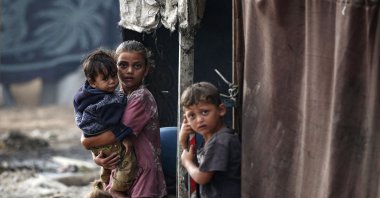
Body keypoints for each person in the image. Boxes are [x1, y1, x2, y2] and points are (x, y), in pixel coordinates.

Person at [81, 40, 167, 198]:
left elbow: (113, 135)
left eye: (137, 66)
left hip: (142, 170)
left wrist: (86, 142)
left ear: (146, 70)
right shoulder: (113, 96)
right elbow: (93, 127)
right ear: (114, 67)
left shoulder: (141, 97)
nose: (129, 71)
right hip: (119, 166)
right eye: (123, 65)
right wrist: (97, 158)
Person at [73, 48, 137, 197]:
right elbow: (114, 120)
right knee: (127, 163)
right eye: (106, 79)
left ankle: (103, 185)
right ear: (92, 82)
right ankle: (116, 189)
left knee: (107, 166)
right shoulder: (105, 101)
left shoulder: (83, 94)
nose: (112, 81)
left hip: (95, 143)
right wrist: (125, 137)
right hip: (108, 142)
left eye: (114, 76)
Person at [179, 81, 241, 198]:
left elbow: (202, 178)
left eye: (205, 112)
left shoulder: (220, 141)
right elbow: (193, 174)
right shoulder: (209, 139)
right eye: (192, 115)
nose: (199, 120)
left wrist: (187, 163)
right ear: (186, 120)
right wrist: (183, 142)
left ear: (221, 110)